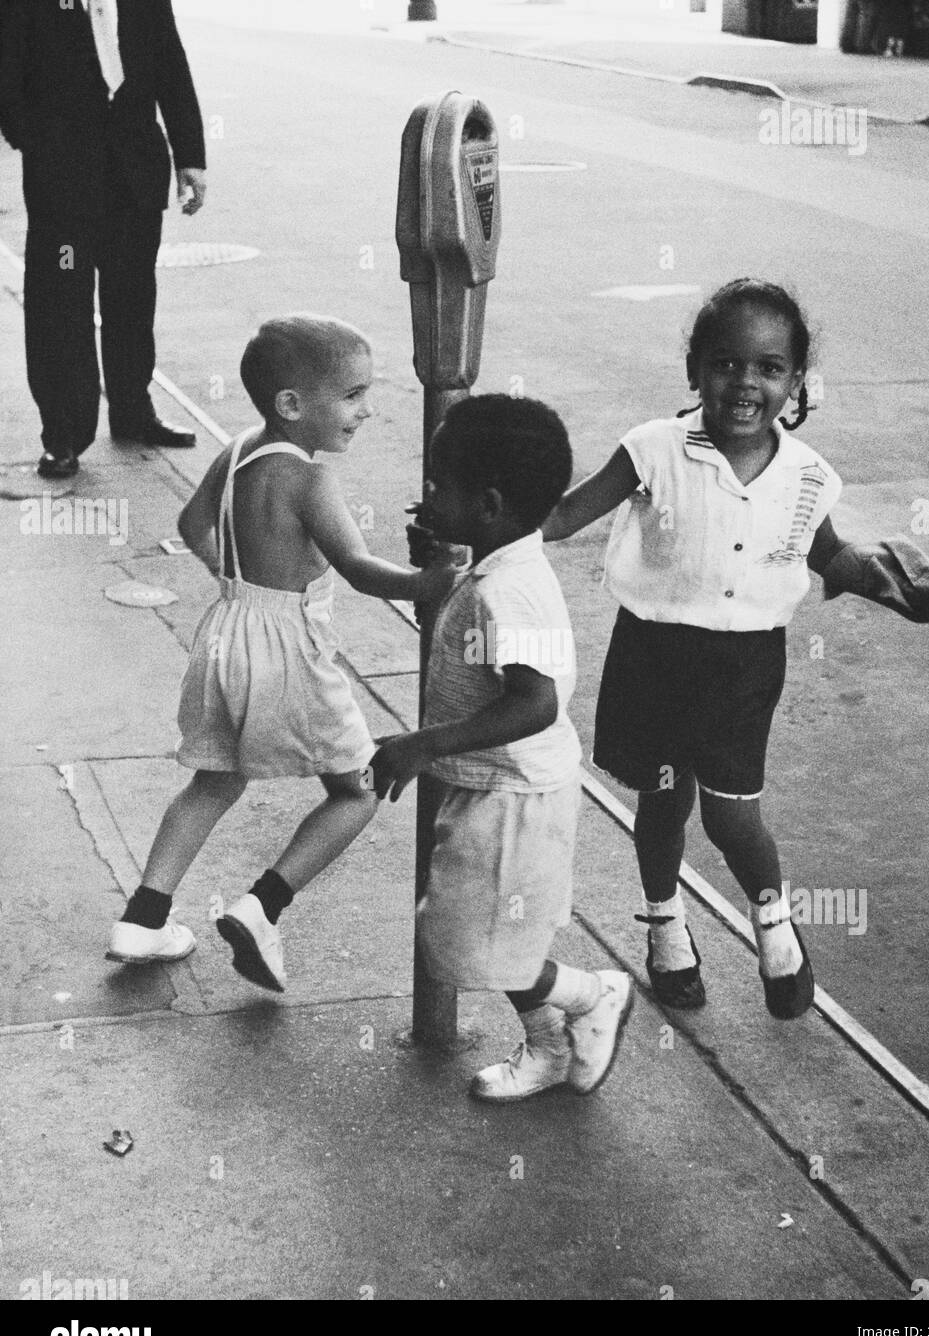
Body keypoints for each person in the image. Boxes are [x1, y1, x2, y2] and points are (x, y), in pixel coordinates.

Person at [541, 279, 929, 1020]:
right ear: (696, 369)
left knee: (733, 819)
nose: (746, 383)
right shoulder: (653, 450)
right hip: (654, 656)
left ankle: (775, 928)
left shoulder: (807, 476)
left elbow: (826, 555)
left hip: (743, 669)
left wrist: (896, 590)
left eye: (770, 369)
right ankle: (665, 928)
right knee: (664, 801)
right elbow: (561, 516)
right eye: (726, 363)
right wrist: (475, 526)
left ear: (796, 383)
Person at [106, 315, 455, 991]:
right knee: (357, 789)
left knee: (216, 779)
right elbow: (356, 568)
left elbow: (190, 524)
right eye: (353, 395)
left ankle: (143, 918)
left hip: (227, 634)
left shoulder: (236, 450)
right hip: (287, 650)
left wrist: (237, 587)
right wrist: (428, 585)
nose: (366, 409)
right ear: (293, 405)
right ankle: (263, 905)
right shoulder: (310, 480)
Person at [371, 395, 634, 1103]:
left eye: (438, 486)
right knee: (488, 935)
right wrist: (443, 569)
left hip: (515, 799)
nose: (426, 496)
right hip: (501, 788)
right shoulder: (504, 564)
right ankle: (551, 1048)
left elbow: (536, 701)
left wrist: (423, 744)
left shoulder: (509, 590)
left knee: (468, 941)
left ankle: (590, 995)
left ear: (487, 504)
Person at [0, 0, 207, 480]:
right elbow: (6, 70)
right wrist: (33, 139)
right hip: (62, 185)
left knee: (132, 298)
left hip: (135, 175)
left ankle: (133, 410)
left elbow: (171, 65)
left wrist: (190, 156)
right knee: (60, 303)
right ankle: (63, 435)